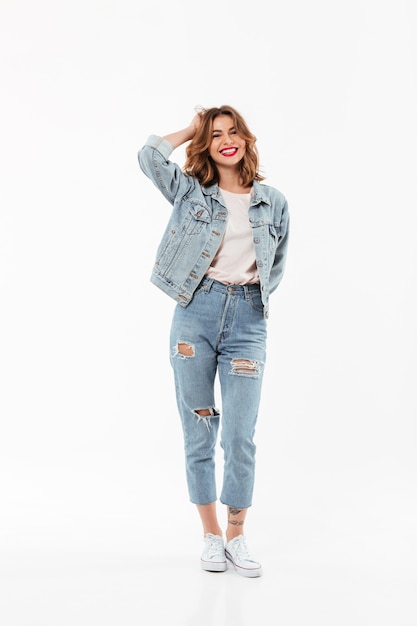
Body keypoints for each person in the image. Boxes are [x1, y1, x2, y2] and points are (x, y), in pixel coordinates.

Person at [137, 105, 289, 577]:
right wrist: (192, 127)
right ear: (207, 143)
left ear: (245, 139)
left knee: (240, 436)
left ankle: (238, 535)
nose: (226, 140)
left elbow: (276, 263)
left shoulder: (273, 201)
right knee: (199, 429)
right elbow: (148, 156)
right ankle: (211, 536)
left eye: (232, 132)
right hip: (194, 315)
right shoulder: (191, 193)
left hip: (248, 319)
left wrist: (249, 300)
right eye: (216, 134)